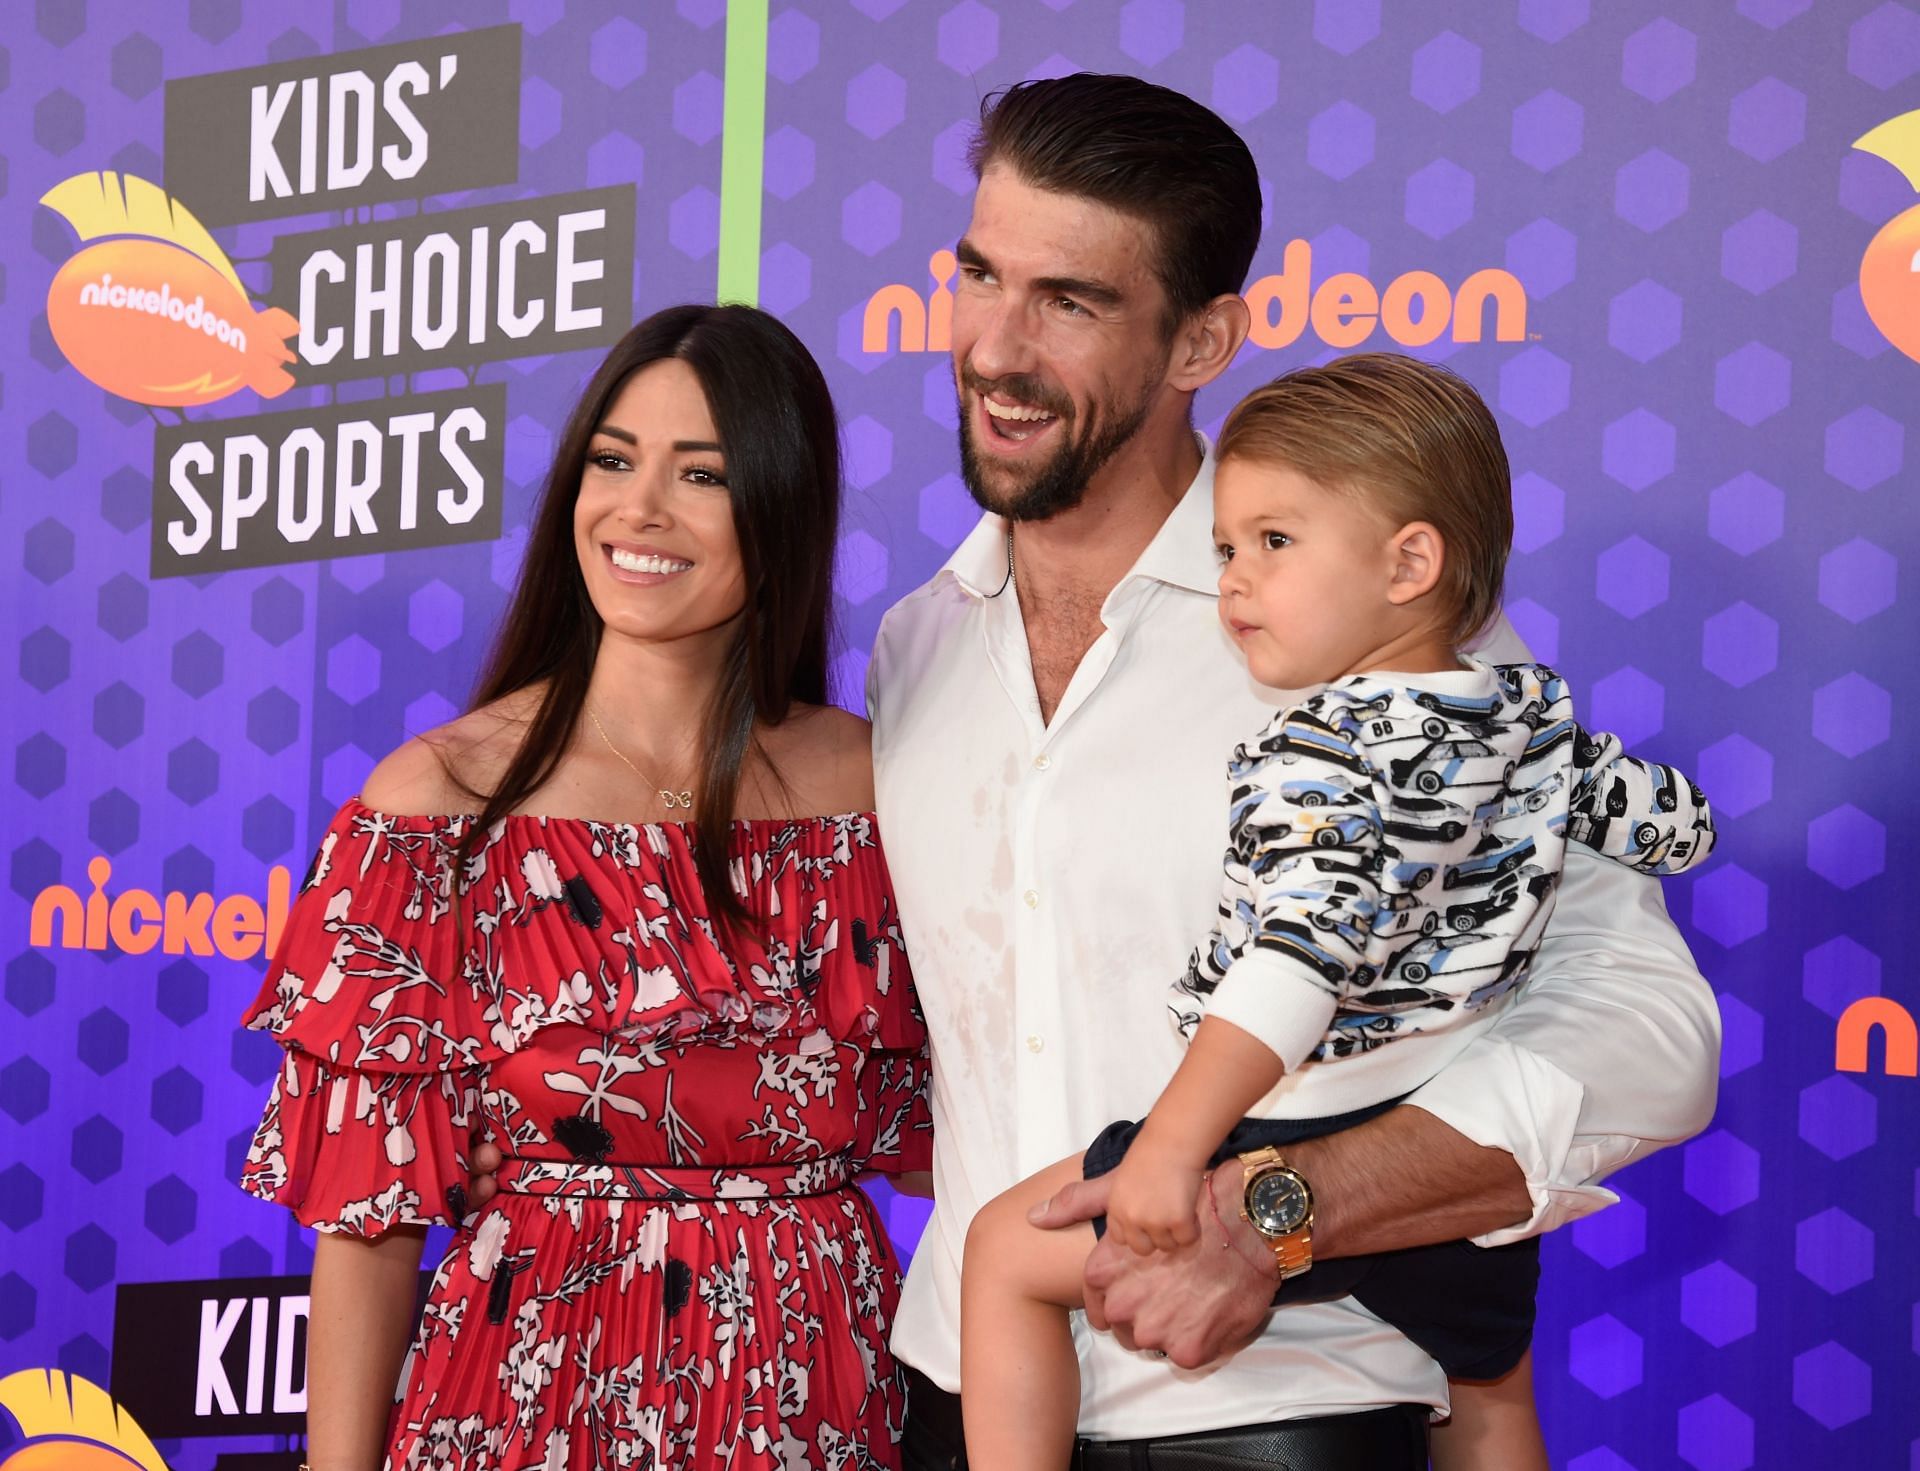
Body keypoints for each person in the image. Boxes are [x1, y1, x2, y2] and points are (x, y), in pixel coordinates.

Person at [862, 75, 1719, 1467]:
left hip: (1277, 1413)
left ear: (1202, 338)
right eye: (977, 275)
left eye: (1068, 302)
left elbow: (1647, 1037)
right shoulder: (915, 648)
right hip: (955, 1394)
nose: (993, 349)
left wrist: (1281, 1206)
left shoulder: (1380, 646)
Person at [237, 304, 932, 1471]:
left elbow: (953, 1134)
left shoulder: (877, 786)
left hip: (815, 1390)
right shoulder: (442, 801)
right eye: (613, 460)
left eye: (699, 474)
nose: (638, 509)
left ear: (780, 503)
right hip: (529, 1392)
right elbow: (367, 1230)